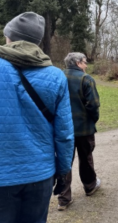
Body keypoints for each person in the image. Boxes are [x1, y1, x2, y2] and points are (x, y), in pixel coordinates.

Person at [0, 12, 74, 222]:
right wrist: (63, 172)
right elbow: (65, 134)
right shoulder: (56, 76)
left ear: (10, 36)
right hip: (40, 174)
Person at [58, 52, 101, 211]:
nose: (86, 65)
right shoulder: (86, 79)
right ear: (77, 63)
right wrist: (92, 120)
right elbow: (93, 105)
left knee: (64, 162)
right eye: (84, 62)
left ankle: (63, 199)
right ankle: (90, 187)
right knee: (86, 158)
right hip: (84, 129)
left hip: (62, 129)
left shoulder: (58, 77)